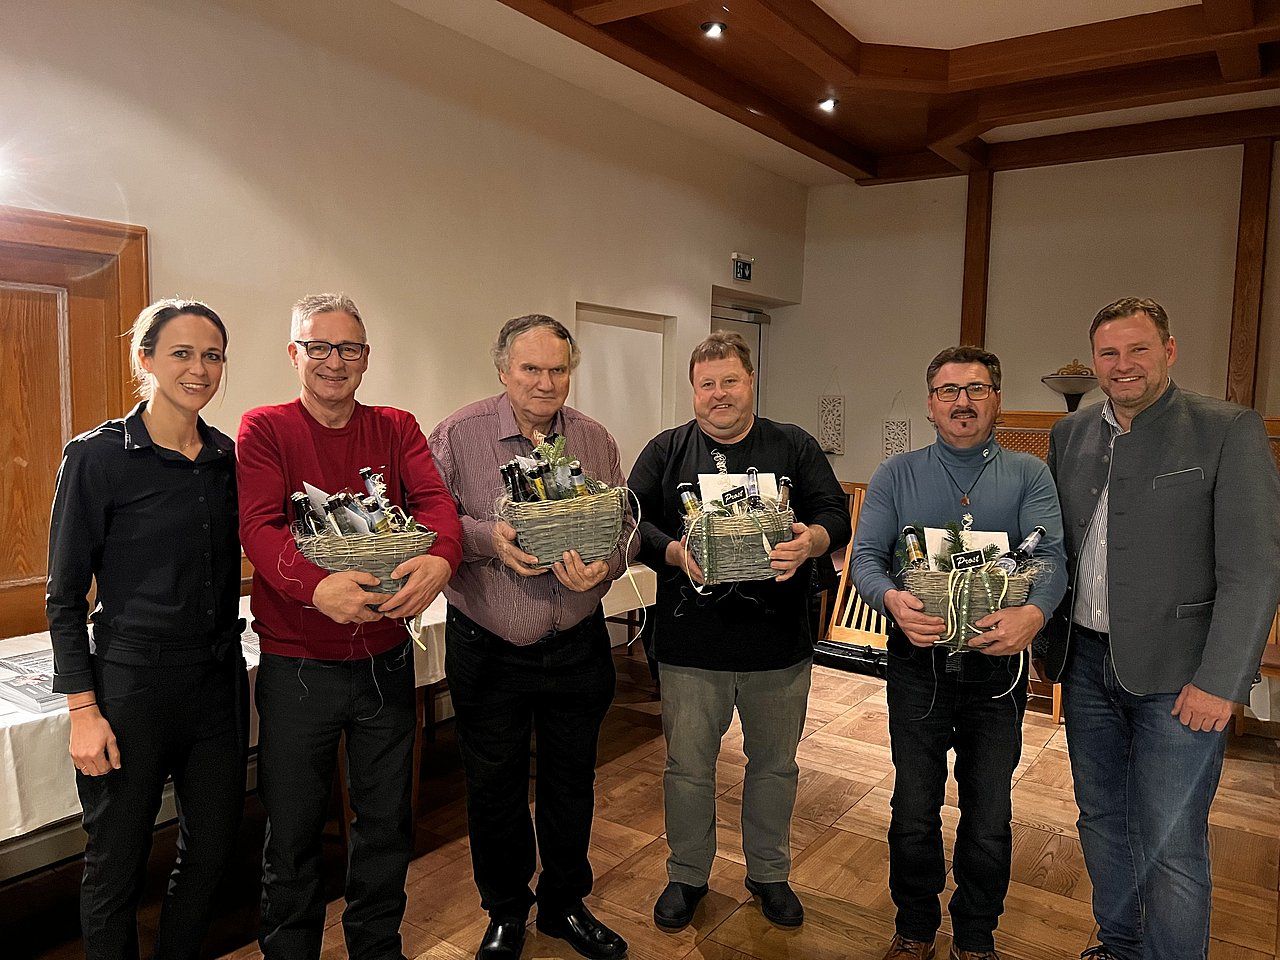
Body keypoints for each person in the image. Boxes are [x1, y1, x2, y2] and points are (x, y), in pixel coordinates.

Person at [1046, 298, 1280, 960]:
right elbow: (1059, 549)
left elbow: (1255, 570)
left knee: (1171, 839)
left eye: (1138, 350)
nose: (1123, 366)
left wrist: (1223, 680)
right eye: (1109, 354)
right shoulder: (1072, 435)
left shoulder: (1226, 430)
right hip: (1087, 664)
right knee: (1101, 820)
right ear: (1094, 362)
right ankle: (1119, 945)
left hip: (1183, 678)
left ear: (1169, 351)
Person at [237, 294, 462, 960]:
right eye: (320, 347)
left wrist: (442, 559)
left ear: (367, 356)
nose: (335, 362)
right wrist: (315, 588)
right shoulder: (265, 428)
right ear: (294, 353)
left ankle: (376, 947)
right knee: (294, 833)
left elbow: (437, 508)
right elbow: (257, 527)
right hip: (298, 664)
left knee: (387, 824)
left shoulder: (395, 427)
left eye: (350, 348)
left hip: (384, 659)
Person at [428, 314, 636, 960]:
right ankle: (506, 911)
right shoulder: (457, 436)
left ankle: (565, 905)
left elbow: (626, 522)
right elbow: (435, 526)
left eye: (558, 369)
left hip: (576, 643)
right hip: (490, 647)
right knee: (494, 787)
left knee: (573, 782)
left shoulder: (596, 440)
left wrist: (610, 562)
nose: (547, 383)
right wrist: (492, 541)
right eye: (531, 369)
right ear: (503, 371)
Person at [628, 331, 850, 932]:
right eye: (708, 384)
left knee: (774, 765)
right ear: (693, 391)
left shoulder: (792, 446)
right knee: (688, 768)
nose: (719, 394)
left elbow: (835, 511)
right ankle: (688, 873)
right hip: (689, 642)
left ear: (751, 383)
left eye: (731, 381)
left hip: (777, 643)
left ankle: (769, 873)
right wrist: (673, 552)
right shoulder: (666, 450)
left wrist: (812, 542)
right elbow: (632, 521)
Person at [46, 299, 247, 960]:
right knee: (117, 866)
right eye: (182, 353)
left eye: (212, 354)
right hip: (131, 686)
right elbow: (65, 596)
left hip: (217, 684)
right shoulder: (97, 457)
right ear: (146, 359)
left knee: (212, 850)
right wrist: (83, 710)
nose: (199, 368)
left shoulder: (225, 459)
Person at [851, 345, 1067, 960]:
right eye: (948, 391)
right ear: (930, 403)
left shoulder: (1030, 475)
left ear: (996, 399)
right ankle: (915, 927)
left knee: (989, 811)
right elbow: (866, 558)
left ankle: (976, 934)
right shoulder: (896, 474)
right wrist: (892, 599)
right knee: (913, 806)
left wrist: (1034, 612)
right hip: (916, 665)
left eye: (975, 389)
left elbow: (1050, 557)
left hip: (997, 668)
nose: (962, 401)